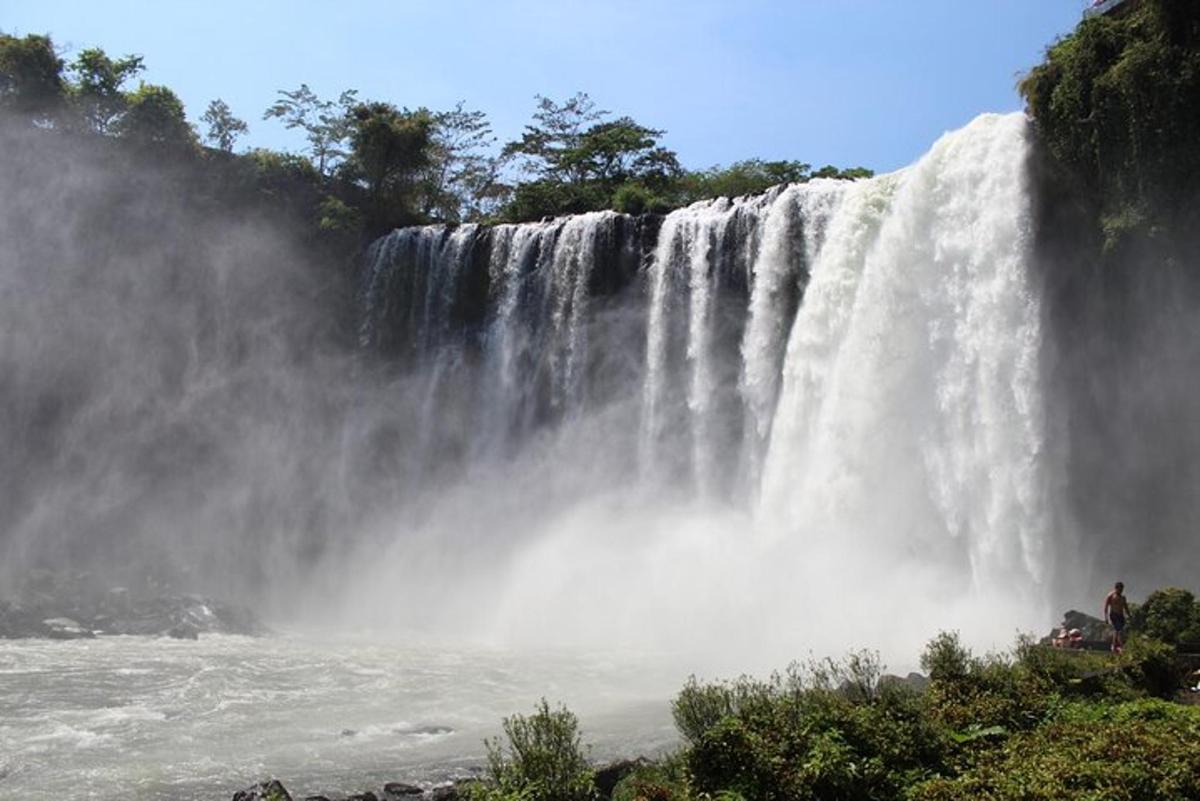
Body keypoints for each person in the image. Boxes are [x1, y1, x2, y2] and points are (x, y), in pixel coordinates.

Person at [1103, 581, 1130, 653]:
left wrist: (1129, 615)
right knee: (1118, 630)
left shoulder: (1123, 597)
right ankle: (1120, 646)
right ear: (1116, 588)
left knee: (1118, 630)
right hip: (1114, 615)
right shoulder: (1111, 596)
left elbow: (1125, 607)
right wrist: (1106, 618)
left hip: (1121, 616)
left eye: (1122, 589)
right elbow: (1105, 607)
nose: (1121, 591)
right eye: (1120, 589)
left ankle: (1114, 645)